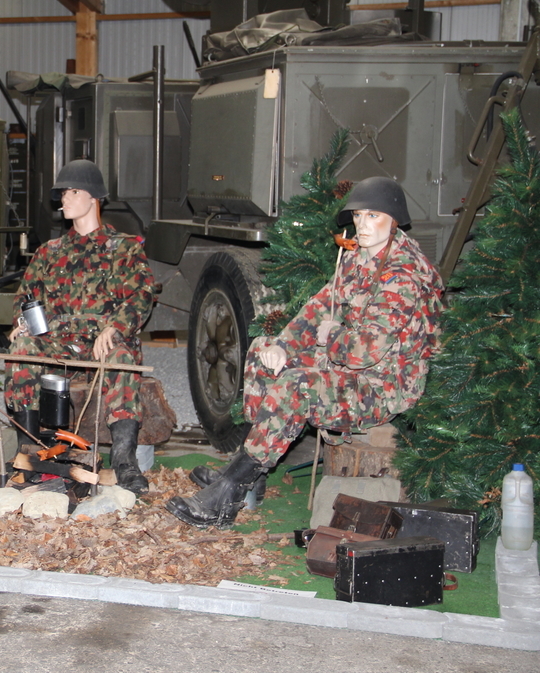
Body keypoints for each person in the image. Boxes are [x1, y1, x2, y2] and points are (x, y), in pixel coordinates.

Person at [167, 177, 445, 528]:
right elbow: (319, 307)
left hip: (385, 386)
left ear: (394, 220)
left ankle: (230, 493)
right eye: (358, 216)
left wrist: (332, 337)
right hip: (354, 369)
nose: (362, 225)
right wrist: (283, 346)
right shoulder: (360, 258)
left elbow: (362, 353)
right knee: (261, 353)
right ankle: (253, 471)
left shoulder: (402, 277)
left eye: (373, 216)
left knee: (295, 387)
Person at [5, 160, 157, 495]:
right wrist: (24, 325)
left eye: (74, 191)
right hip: (60, 341)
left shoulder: (125, 248)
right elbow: (26, 297)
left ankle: (124, 461)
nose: (65, 197)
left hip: (103, 340)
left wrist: (114, 327)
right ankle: (28, 454)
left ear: (95, 198)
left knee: (121, 356)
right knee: (22, 350)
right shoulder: (50, 252)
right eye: (63, 192)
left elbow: (141, 294)